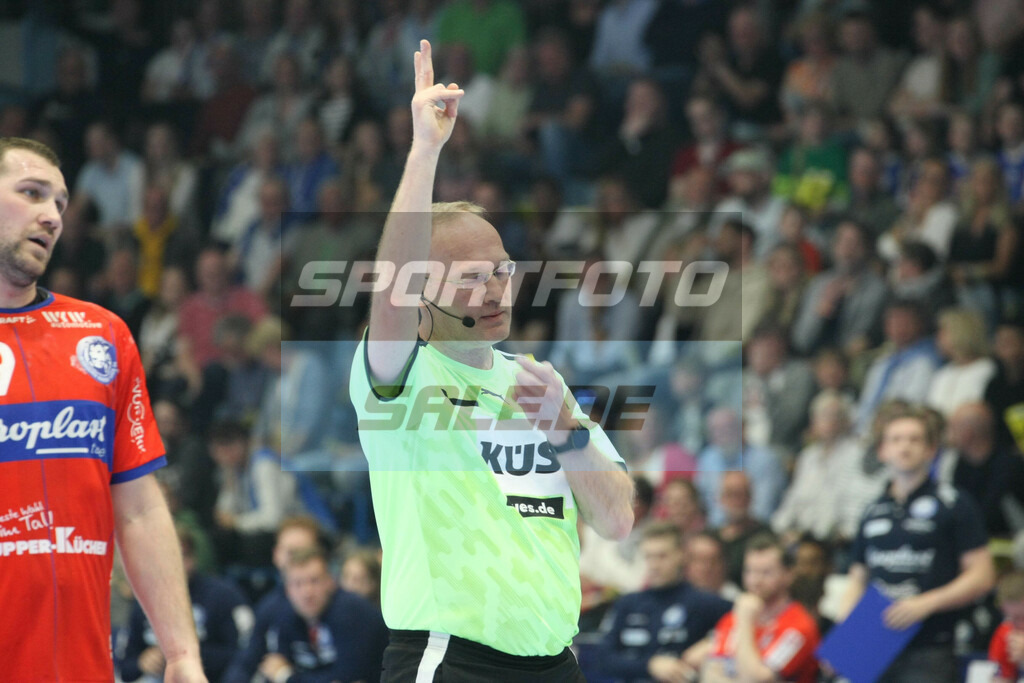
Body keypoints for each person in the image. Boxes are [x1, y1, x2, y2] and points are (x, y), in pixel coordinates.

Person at [348, 40, 633, 681]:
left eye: (503, 271)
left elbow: (616, 519)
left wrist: (568, 432)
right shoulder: (401, 375)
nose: (498, 288)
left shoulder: (542, 381)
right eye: (475, 277)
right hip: (451, 660)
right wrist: (426, 150)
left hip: (557, 662)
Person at [0, 136, 205, 679]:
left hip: (82, 665)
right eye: (32, 193)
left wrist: (182, 653)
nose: (51, 216)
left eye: (61, 204)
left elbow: (138, 506)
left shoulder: (102, 335)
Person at [835, 405, 995, 682]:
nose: (904, 447)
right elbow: (857, 580)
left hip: (929, 646)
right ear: (883, 450)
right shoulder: (873, 510)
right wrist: (846, 638)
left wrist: (926, 603)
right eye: (896, 440)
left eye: (914, 439)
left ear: (931, 450)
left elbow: (983, 576)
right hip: (873, 644)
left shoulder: (954, 503)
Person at [224, 546, 388, 683]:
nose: (307, 592)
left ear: (331, 582)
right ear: (287, 590)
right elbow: (250, 662)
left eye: (314, 581)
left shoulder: (354, 612)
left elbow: (347, 678)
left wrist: (286, 677)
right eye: (298, 584)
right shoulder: (277, 610)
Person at [594, 522, 731, 682]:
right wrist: (649, 665)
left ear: (681, 555)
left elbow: (745, 623)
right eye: (648, 557)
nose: (654, 565)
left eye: (662, 556)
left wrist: (712, 644)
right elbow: (603, 658)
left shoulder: (704, 602)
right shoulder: (627, 603)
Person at [118, 526, 253, 682]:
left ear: (193, 558)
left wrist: (186, 656)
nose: (176, 564)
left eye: (182, 556)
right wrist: (142, 663)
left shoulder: (223, 596)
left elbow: (243, 656)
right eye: (166, 556)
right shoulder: (144, 598)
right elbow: (124, 666)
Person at [682, 533, 821, 683]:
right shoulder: (734, 617)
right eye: (750, 571)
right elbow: (702, 666)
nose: (755, 580)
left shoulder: (798, 627)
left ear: (789, 575)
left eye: (766, 572)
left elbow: (758, 679)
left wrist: (745, 622)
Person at [990, 570, 1024, 682]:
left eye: (1020, 617)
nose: (1015, 625)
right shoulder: (1005, 632)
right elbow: (1002, 678)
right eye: (1009, 617)